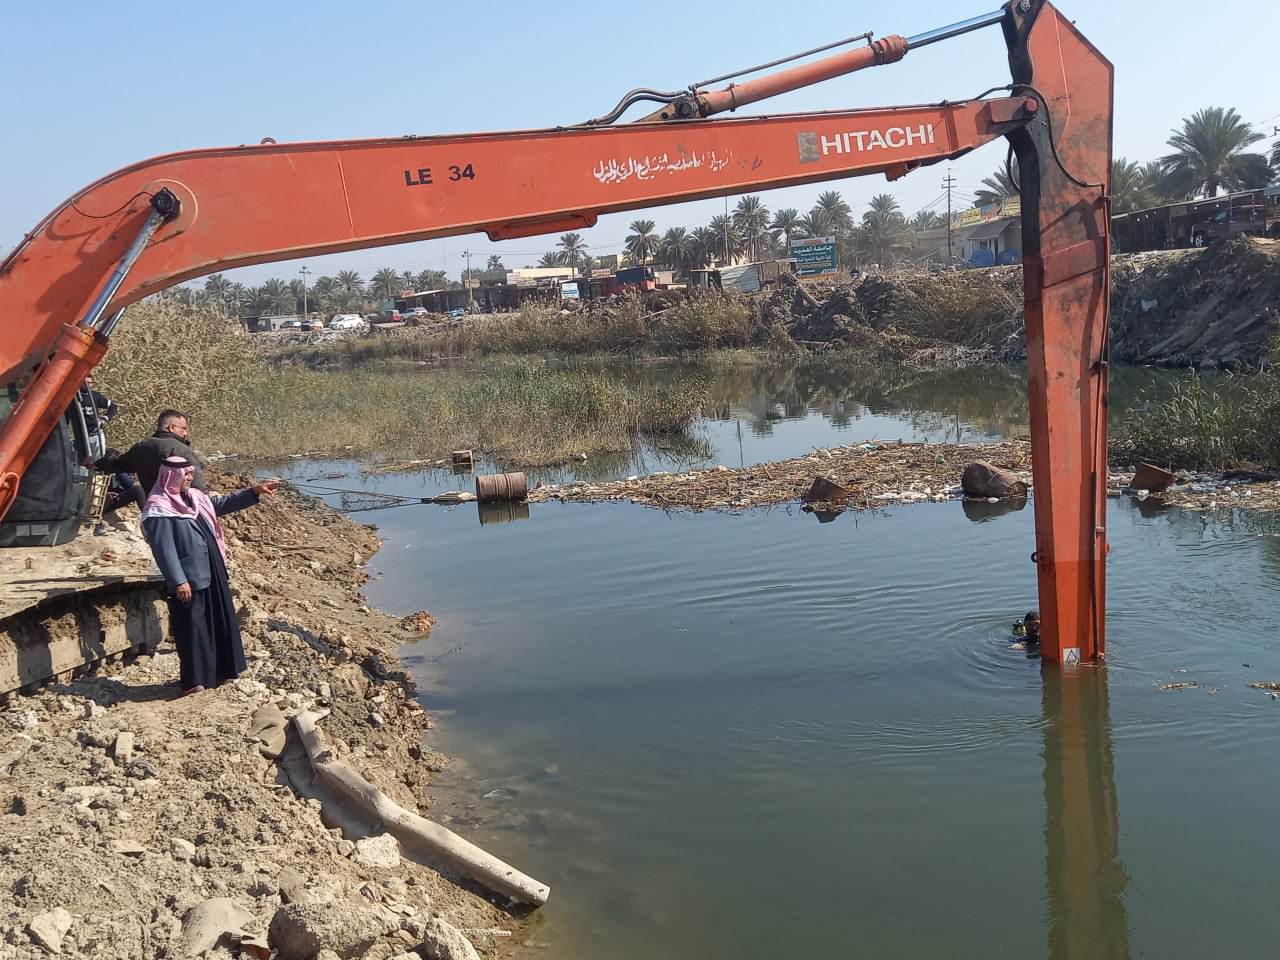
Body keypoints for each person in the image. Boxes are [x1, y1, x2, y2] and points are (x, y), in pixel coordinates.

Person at [141, 456, 279, 694]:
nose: (189, 477)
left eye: (190, 473)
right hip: (189, 577)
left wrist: (254, 491)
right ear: (171, 477)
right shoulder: (158, 508)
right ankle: (195, 680)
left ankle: (222, 671)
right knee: (193, 627)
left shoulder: (195, 497)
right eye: (185, 474)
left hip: (212, 569)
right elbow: (164, 550)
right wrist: (178, 580)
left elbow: (222, 504)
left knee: (218, 620)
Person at [91, 409, 210, 495]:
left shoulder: (141, 447)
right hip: (181, 512)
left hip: (154, 509)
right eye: (183, 428)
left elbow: (117, 465)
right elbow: (198, 487)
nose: (185, 433)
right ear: (172, 427)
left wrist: (95, 463)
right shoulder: (182, 450)